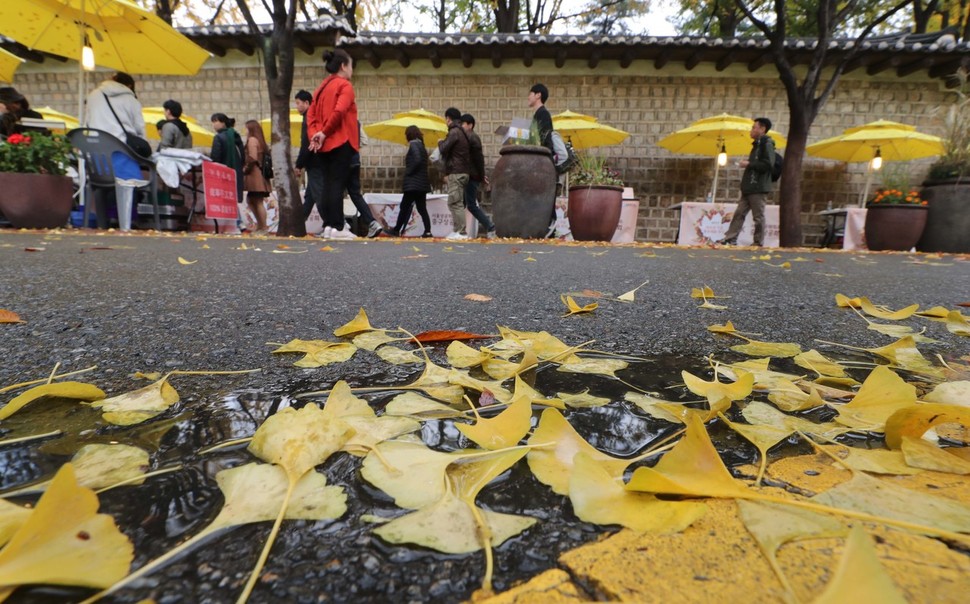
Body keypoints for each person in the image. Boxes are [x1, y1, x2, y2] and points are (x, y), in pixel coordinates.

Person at [307, 49, 359, 241]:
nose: (352, 70)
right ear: (343, 66)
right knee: (337, 183)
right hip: (341, 139)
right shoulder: (344, 86)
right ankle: (337, 226)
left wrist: (315, 135)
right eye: (351, 65)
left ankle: (329, 225)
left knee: (328, 183)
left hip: (322, 144)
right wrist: (325, 132)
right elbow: (340, 111)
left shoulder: (320, 88)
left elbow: (310, 116)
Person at [720, 117, 776, 247]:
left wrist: (749, 164)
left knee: (758, 216)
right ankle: (730, 238)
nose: (751, 130)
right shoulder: (757, 145)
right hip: (749, 187)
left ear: (762, 129)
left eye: (754, 127)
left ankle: (758, 242)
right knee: (739, 213)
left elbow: (768, 165)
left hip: (758, 187)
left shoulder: (767, 144)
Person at [86, 72, 147, 153]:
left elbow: (87, 124)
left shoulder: (92, 96)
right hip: (122, 150)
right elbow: (140, 130)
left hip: (96, 150)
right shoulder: (131, 100)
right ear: (129, 86)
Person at [388, 125, 432, 238]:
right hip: (422, 184)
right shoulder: (422, 146)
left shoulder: (413, 144)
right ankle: (428, 231)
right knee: (422, 208)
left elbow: (416, 160)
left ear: (409, 134)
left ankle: (396, 230)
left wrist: (409, 171)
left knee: (404, 206)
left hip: (413, 184)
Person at [528, 83, 558, 236]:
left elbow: (545, 138)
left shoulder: (543, 114)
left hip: (543, 160)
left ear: (538, 95)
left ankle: (550, 226)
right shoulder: (537, 115)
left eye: (530, 94)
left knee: (544, 195)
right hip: (539, 160)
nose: (528, 97)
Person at [460, 113, 496, 239]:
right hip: (471, 175)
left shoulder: (471, 138)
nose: (461, 126)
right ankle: (461, 230)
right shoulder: (468, 137)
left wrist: (481, 176)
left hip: (471, 176)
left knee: (470, 205)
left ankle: (490, 226)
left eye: (463, 124)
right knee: (464, 204)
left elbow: (478, 159)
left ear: (470, 125)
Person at [438, 107, 471, 240]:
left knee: (456, 202)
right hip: (462, 171)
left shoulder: (454, 132)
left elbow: (444, 149)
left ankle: (461, 232)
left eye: (446, 119)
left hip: (457, 172)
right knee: (454, 202)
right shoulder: (461, 132)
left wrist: (440, 142)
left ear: (449, 119)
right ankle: (457, 230)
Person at [347, 124, 383, 238]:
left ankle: (338, 225)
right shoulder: (356, 122)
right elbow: (364, 140)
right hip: (355, 159)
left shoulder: (338, 117)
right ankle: (372, 222)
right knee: (356, 194)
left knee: (335, 192)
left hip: (342, 161)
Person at [293, 89, 323, 221]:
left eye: (298, 103)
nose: (296, 106)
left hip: (315, 163)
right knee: (310, 197)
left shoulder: (309, 120)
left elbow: (306, 145)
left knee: (319, 195)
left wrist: (299, 165)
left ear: (306, 103)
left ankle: (335, 224)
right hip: (316, 162)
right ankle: (298, 223)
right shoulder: (312, 118)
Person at [210, 113, 245, 225]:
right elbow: (243, 155)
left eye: (216, 121)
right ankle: (239, 222)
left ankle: (232, 223)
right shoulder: (235, 135)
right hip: (236, 172)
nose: (214, 125)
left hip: (223, 172)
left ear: (223, 122)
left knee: (224, 199)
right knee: (233, 198)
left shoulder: (219, 138)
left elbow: (215, 157)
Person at [243, 119, 272, 233]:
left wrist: (245, 168)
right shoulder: (261, 141)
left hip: (255, 175)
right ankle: (261, 225)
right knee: (253, 199)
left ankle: (263, 226)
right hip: (260, 175)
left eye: (246, 128)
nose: (244, 131)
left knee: (256, 200)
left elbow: (252, 157)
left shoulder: (252, 140)